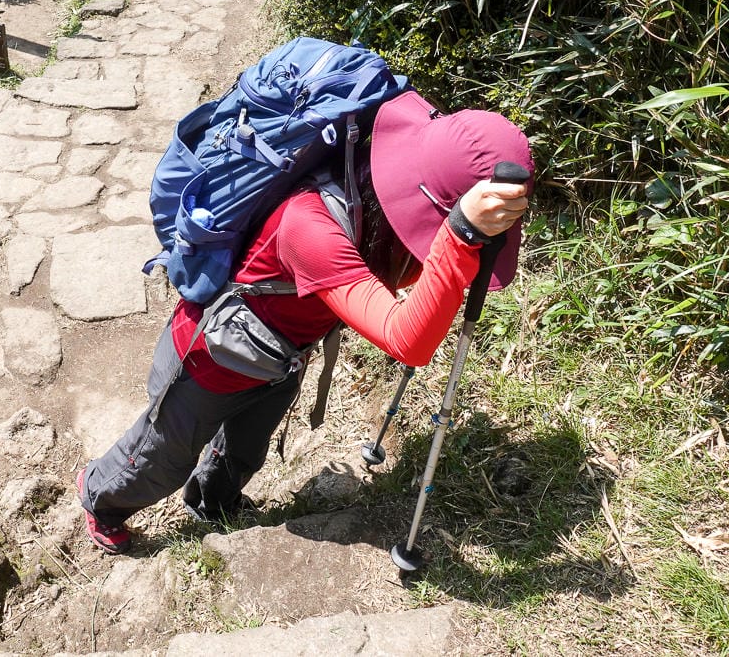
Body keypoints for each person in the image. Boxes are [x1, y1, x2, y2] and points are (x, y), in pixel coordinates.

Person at [76, 89, 533, 554]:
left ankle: (212, 503)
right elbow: (407, 340)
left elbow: (417, 284)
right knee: (161, 458)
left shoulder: (375, 215)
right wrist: (458, 237)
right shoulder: (311, 226)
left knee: (241, 452)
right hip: (208, 358)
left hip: (279, 358)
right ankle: (100, 499)